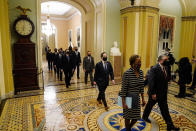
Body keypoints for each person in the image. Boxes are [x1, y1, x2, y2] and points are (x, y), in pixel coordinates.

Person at [142, 55, 179, 131]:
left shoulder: (166, 67)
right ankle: (145, 117)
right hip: (155, 93)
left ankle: (170, 125)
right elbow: (151, 82)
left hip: (163, 93)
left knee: (165, 109)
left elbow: (168, 79)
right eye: (166, 59)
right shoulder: (154, 69)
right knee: (149, 105)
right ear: (161, 60)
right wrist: (153, 93)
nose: (167, 61)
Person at [119, 55, 145, 131]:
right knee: (127, 117)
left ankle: (128, 128)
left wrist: (143, 99)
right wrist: (123, 102)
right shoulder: (127, 73)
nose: (140, 63)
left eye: (140, 62)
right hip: (128, 98)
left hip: (136, 98)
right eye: (138, 62)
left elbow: (141, 87)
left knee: (136, 117)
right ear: (132, 63)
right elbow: (123, 89)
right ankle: (128, 129)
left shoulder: (141, 72)